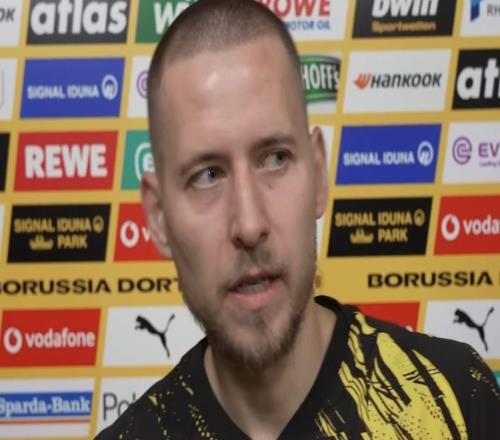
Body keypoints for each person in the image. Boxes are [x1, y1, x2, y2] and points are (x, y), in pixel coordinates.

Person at [96, 0, 500, 438]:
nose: (249, 224)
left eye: (275, 158)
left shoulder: (455, 399)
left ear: (319, 174)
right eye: (207, 175)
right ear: (158, 217)